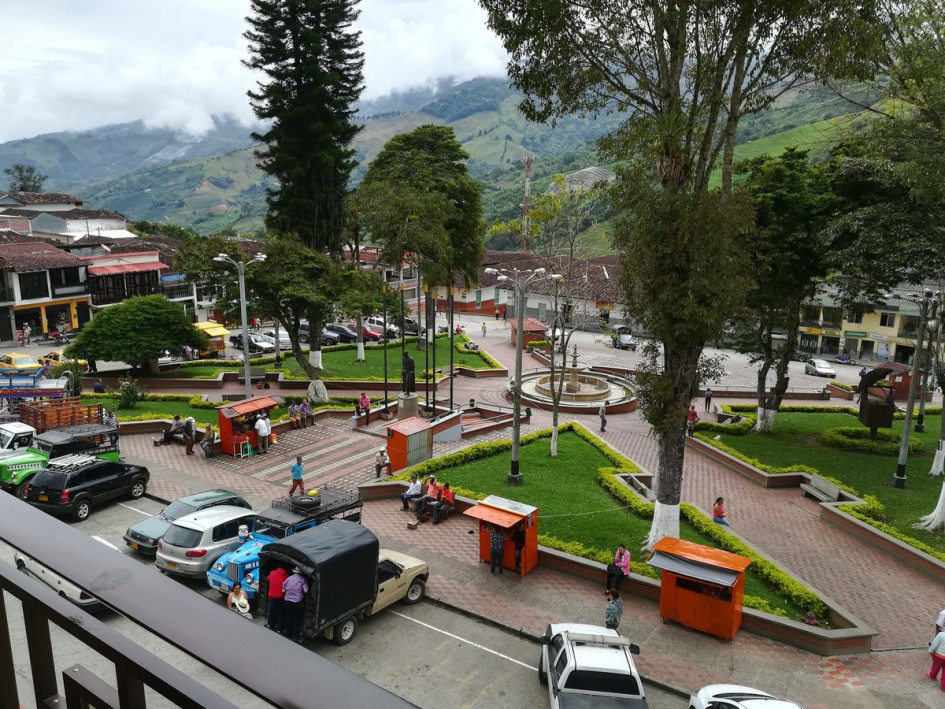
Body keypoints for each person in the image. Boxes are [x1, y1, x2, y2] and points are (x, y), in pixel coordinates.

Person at [283, 567, 309, 642]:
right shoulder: (302, 579)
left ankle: (288, 633)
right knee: (296, 619)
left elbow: (284, 589)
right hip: (297, 602)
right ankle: (295, 636)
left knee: (288, 618)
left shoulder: (289, 578)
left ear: (294, 571)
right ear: (301, 572)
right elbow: (306, 590)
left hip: (287, 600)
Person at [265, 564, 289, 633]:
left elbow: (268, 579)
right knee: (280, 613)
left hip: (272, 596)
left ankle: (271, 626)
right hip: (281, 597)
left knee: (272, 612)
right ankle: (279, 629)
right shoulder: (287, 576)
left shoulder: (272, 572)